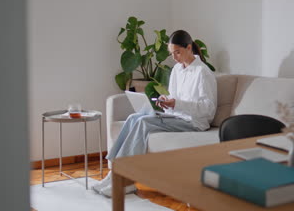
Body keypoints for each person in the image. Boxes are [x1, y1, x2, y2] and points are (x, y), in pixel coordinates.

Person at [92, 30, 217, 197]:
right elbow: (174, 97)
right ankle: (113, 173)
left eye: (177, 52)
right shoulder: (177, 70)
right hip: (176, 116)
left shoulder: (203, 72)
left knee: (143, 123)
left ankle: (127, 180)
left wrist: (176, 103)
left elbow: (208, 109)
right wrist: (166, 100)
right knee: (133, 117)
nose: (175, 58)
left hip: (194, 122)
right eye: (172, 54)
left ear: (189, 47)